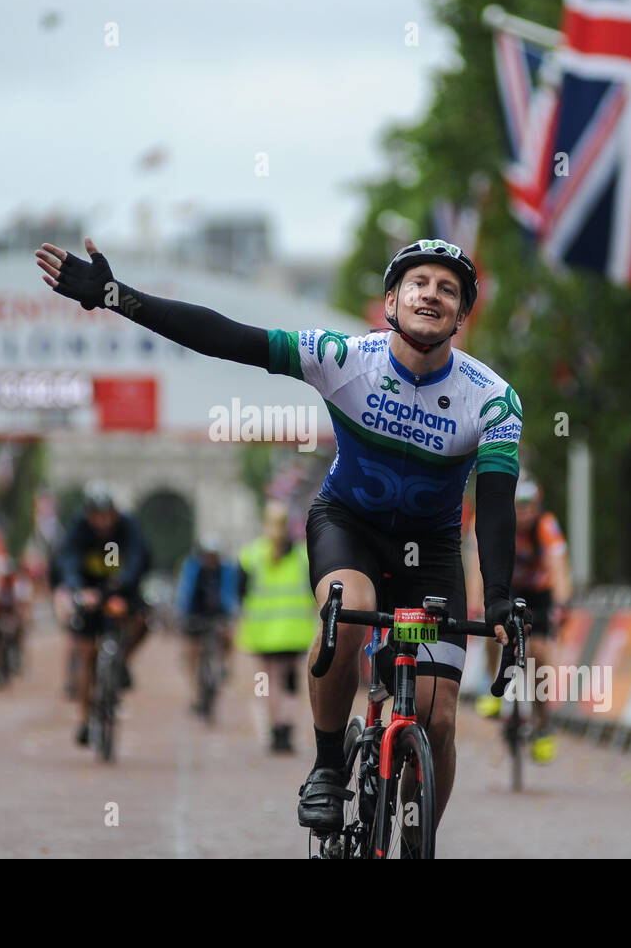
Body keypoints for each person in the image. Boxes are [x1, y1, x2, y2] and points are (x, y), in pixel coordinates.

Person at [37, 236, 522, 836]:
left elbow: (498, 507)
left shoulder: (493, 399)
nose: (433, 294)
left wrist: (499, 597)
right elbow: (229, 338)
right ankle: (325, 767)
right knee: (351, 615)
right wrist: (118, 298)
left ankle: (420, 838)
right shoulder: (346, 356)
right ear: (391, 302)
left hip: (434, 553)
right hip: (349, 527)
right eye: (419, 283)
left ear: (460, 316)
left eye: (448, 289)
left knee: (439, 721)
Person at [476, 474, 571, 764]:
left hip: (539, 594)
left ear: (538, 504)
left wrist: (562, 604)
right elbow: (475, 563)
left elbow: (560, 569)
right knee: (495, 628)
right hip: (508, 587)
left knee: (539, 655)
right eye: (520, 504)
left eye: (530, 504)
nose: (526, 510)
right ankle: (495, 688)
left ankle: (542, 724)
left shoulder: (546, 526)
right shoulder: (500, 521)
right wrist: (473, 601)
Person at [53, 483, 152, 747]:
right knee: (85, 653)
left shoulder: (128, 527)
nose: (103, 521)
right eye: (97, 515)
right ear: (88, 514)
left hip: (120, 589)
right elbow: (68, 559)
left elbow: (138, 557)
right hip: (89, 593)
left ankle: (121, 661)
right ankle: (85, 720)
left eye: (107, 514)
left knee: (143, 621)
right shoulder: (78, 529)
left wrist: (120, 584)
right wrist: (76, 588)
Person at [235, 503, 314, 754]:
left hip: (262, 634)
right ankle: (286, 729)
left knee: (264, 682)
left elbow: (240, 592)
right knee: (290, 682)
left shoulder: (251, 555)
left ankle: (271, 725)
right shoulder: (304, 555)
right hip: (295, 631)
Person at [175, 535, 241, 718]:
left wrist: (231, 613)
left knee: (228, 636)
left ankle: (225, 665)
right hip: (195, 615)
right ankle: (196, 691)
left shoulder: (226, 570)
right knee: (192, 652)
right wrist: (181, 614)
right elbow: (185, 593)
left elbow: (230, 594)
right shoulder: (191, 568)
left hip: (218, 614)